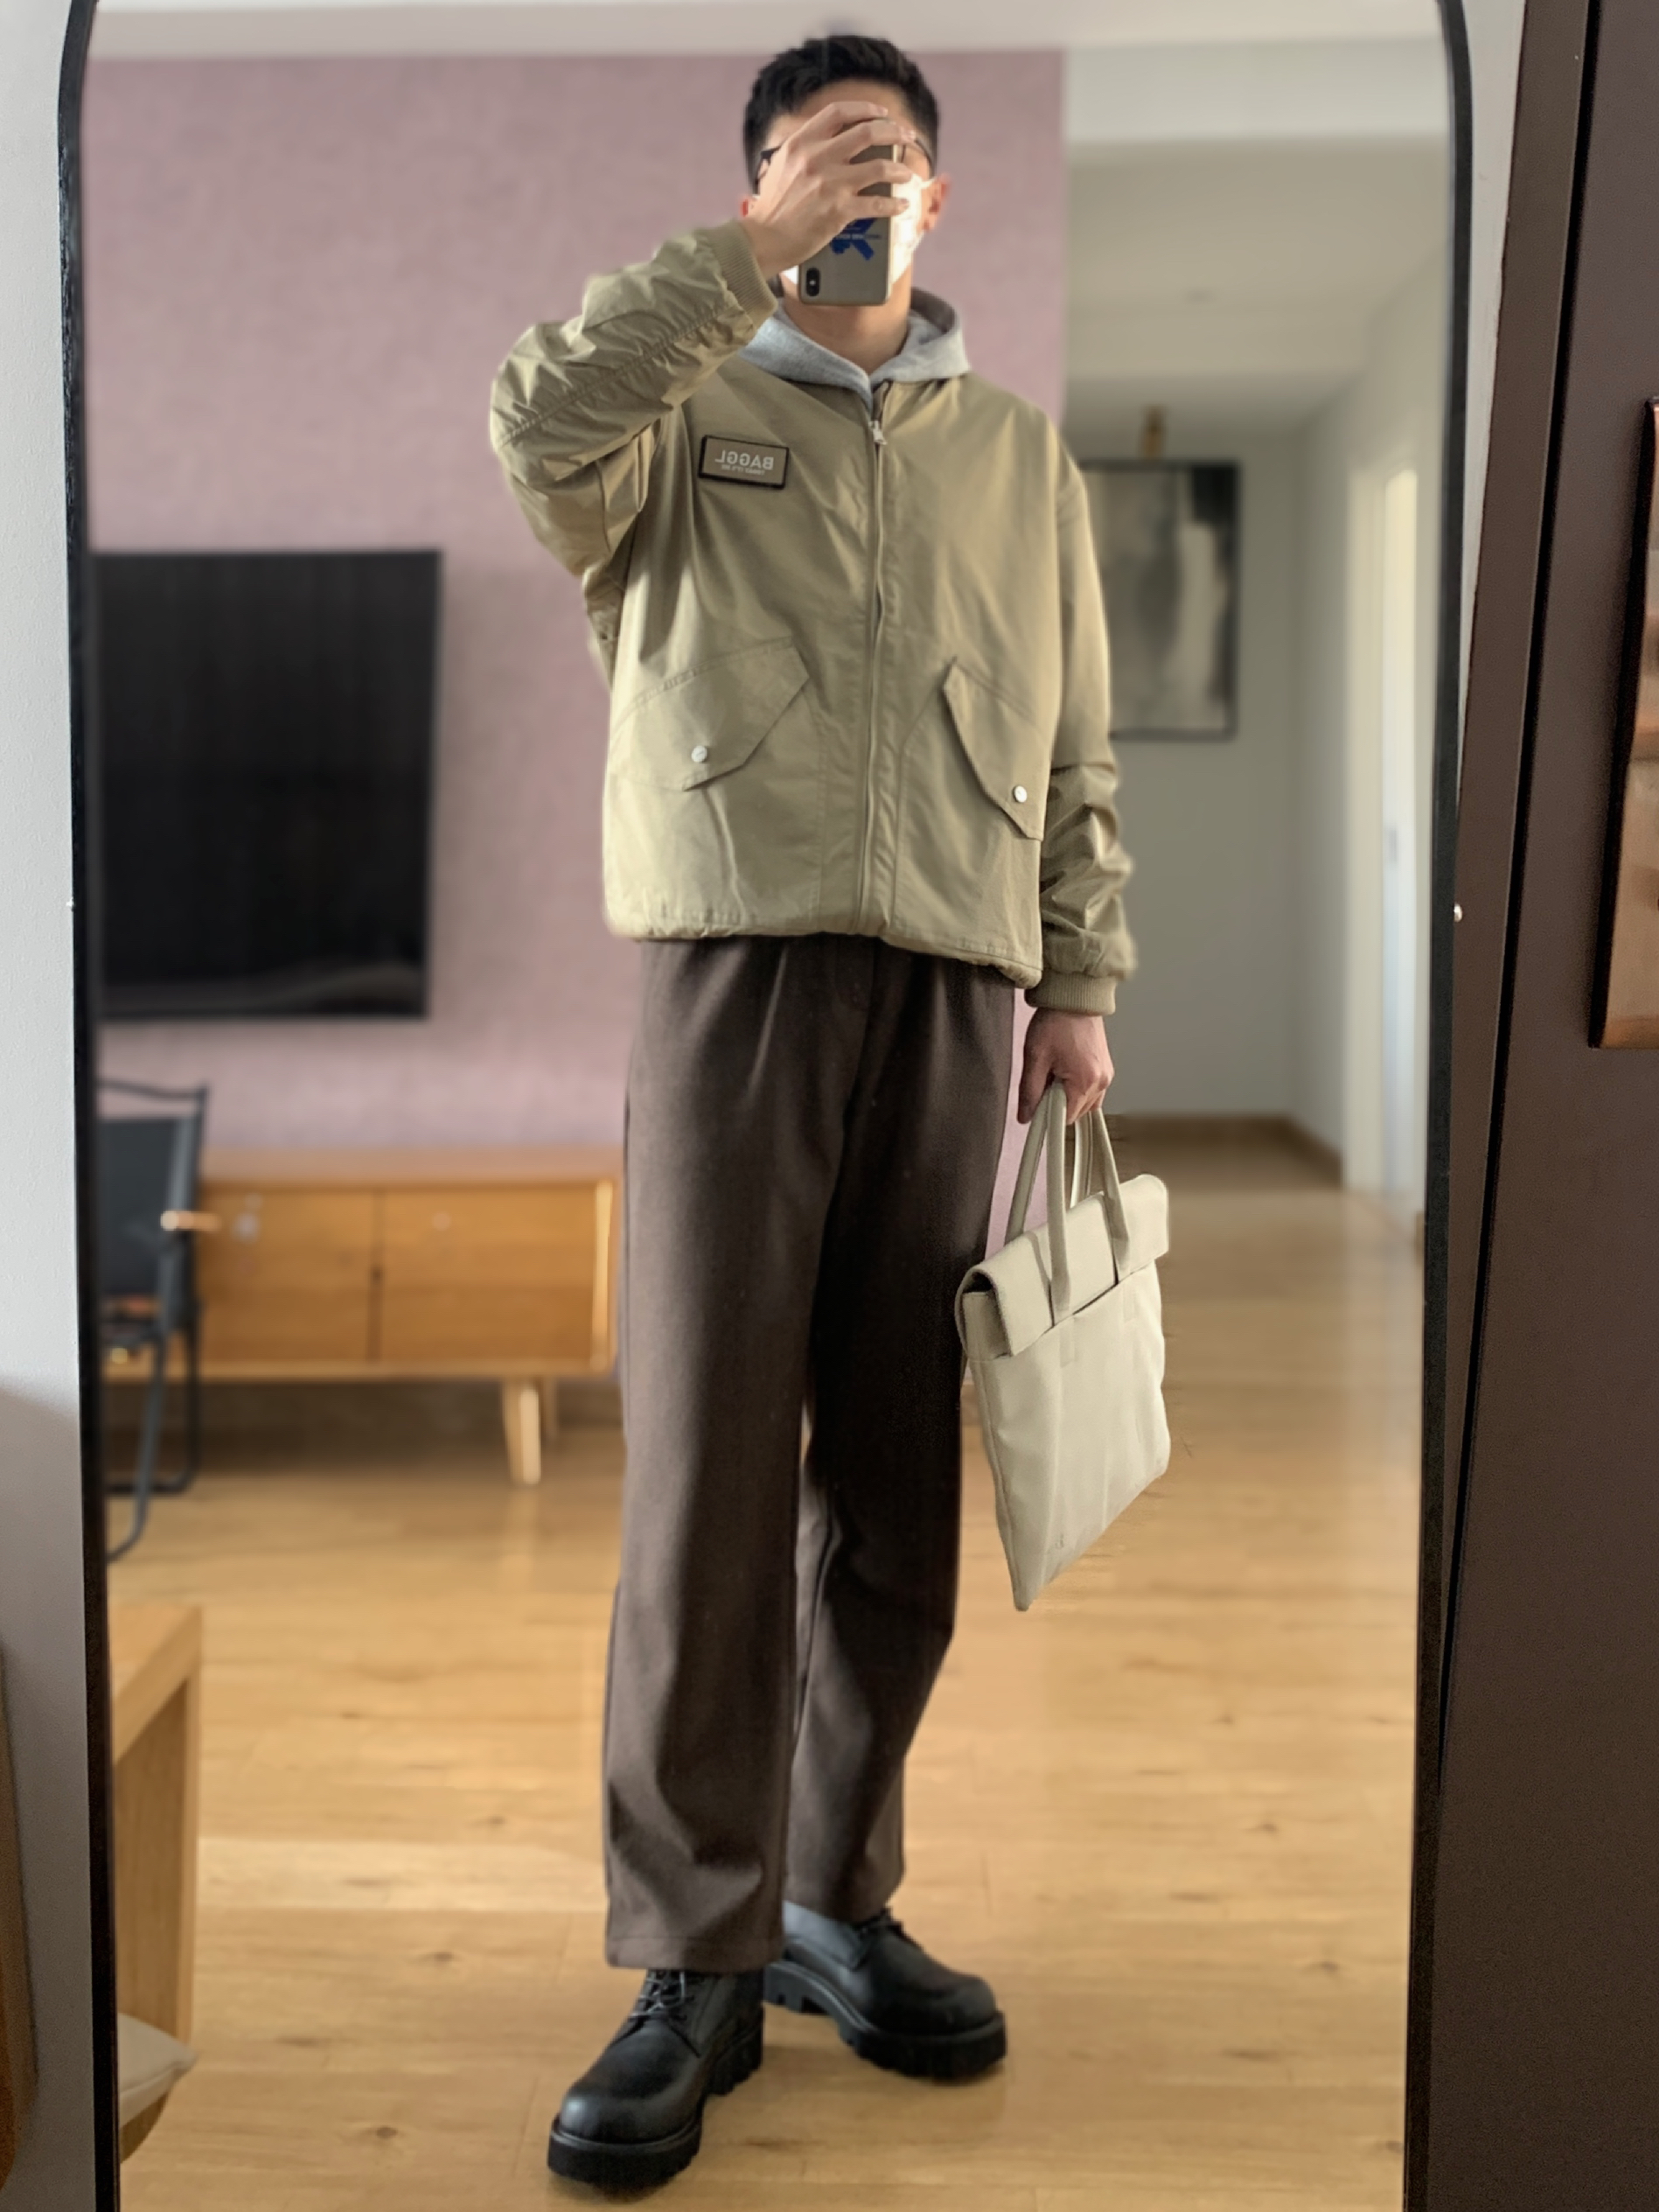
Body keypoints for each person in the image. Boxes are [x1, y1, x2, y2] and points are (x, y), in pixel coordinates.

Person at [491, 33, 1133, 2191]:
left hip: (956, 989)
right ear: (760, 186)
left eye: (888, 159)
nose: (856, 186)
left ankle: (835, 1895)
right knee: (702, 1478)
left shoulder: (1019, 459)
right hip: (732, 978)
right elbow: (530, 418)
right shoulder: (669, 416)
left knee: (892, 1476)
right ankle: (693, 1945)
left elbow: (1075, 740)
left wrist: (1077, 981)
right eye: (812, 155)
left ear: (943, 199)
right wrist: (733, 259)